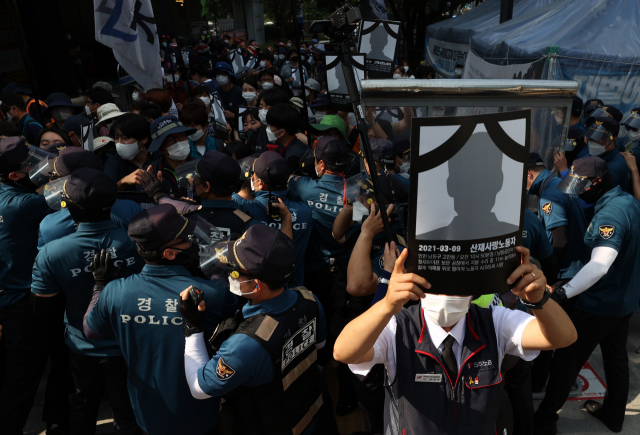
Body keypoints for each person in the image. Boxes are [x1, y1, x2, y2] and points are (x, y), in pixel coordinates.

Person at [335, 243, 577, 435]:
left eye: (457, 284)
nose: (445, 293)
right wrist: (387, 305)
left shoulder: (494, 322)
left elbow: (563, 337)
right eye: (435, 282)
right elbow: (344, 352)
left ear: (473, 290)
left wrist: (538, 300)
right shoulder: (399, 327)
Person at [82, 205, 241, 435]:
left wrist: (99, 287)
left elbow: (90, 330)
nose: (194, 241)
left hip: (146, 414)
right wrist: (217, 273)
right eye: (187, 238)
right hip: (201, 414)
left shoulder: (115, 292)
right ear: (169, 253)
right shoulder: (213, 293)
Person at [180, 224, 338, 434]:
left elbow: (199, 388)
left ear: (255, 285)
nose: (229, 275)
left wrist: (193, 327)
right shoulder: (309, 298)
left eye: (233, 271)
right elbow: (319, 345)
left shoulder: (244, 346)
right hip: (311, 414)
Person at [31, 168, 143, 435]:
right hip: (129, 342)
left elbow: (42, 309)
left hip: (82, 345)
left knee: (83, 404)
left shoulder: (52, 253)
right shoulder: (137, 242)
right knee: (127, 409)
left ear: (68, 205)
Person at [534, 156, 640, 434]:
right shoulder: (628, 202)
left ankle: (544, 420)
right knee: (616, 360)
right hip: (624, 300)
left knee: (566, 362)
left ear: (598, 182)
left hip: (599, 304)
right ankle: (614, 415)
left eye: (583, 186)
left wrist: (563, 294)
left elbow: (599, 265)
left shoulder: (610, 215)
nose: (579, 191)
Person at [0, 137, 55, 435]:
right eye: (29, 164)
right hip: (19, 304)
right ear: (14, 175)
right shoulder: (26, 204)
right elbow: (72, 196)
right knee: (20, 379)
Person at [288, 138, 355, 322]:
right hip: (347, 271)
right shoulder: (356, 192)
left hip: (313, 270)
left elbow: (288, 180)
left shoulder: (304, 187)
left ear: (321, 164)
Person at [418, 130, 520, 240]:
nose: (474, 193)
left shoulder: (426, 240)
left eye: (483, 179)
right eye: (465, 179)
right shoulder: (513, 235)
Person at [36, 147, 143, 250]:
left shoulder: (49, 226)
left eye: (55, 175)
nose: (50, 179)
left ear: (70, 182)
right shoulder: (131, 210)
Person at [233, 152, 313, 287]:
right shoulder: (305, 212)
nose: (252, 177)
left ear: (261, 183)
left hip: (256, 289)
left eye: (254, 175)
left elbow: (229, 200)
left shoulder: (244, 207)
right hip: (294, 287)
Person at [526, 153, 589, 286]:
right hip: (578, 265)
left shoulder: (549, 198)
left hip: (565, 273)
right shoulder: (561, 183)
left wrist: (550, 281)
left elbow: (560, 241)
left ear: (529, 174)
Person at [101, 113, 153, 191]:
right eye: (116, 138)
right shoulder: (113, 162)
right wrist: (124, 181)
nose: (119, 143)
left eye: (125, 138)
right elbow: (106, 193)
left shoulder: (158, 159)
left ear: (144, 139)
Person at [148, 115, 196, 198]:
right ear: (160, 148)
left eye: (181, 136)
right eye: (170, 139)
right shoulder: (152, 173)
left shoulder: (200, 166)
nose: (178, 142)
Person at [584, 117, 629, 192]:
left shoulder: (611, 169)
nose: (593, 141)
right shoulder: (600, 156)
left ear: (614, 140)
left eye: (598, 138)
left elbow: (596, 196)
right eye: (591, 136)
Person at [265, 103, 307, 171]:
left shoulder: (293, 157)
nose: (267, 128)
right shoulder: (290, 145)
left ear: (282, 132)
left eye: (270, 126)